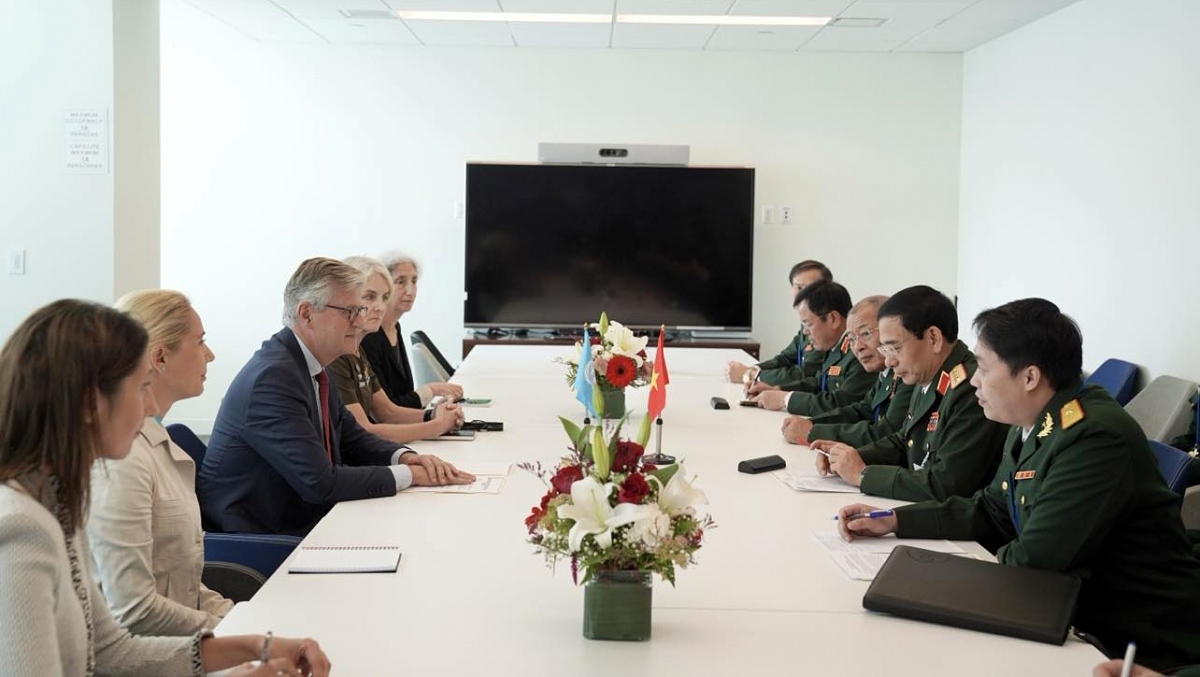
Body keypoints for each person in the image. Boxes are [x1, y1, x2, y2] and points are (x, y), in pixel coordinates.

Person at [838, 298, 1200, 673]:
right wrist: (895, 520)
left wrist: (945, 578)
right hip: (1068, 613)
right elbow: (991, 509)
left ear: (1029, 377)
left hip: (1135, 643)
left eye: (983, 367)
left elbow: (1034, 561)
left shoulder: (1093, 437)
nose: (974, 379)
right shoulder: (1032, 422)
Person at [0, 299, 329, 676]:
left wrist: (256, 645)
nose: (151, 404)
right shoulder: (20, 528)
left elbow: (109, 650)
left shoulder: (59, 501)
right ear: (92, 404)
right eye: (141, 387)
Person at [199, 257, 475, 536]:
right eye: (349, 312)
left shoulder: (314, 363)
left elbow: (351, 437)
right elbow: (320, 482)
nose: (360, 321)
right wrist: (412, 476)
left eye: (360, 310)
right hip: (262, 539)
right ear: (306, 314)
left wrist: (405, 459)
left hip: (304, 519)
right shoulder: (272, 379)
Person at [87, 291, 231, 636]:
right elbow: (133, 610)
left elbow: (186, 588)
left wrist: (242, 619)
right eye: (200, 342)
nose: (209, 355)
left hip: (182, 645)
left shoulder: (159, 442)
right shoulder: (123, 459)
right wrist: (235, 635)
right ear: (160, 357)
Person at [814, 285, 1007, 501]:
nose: (889, 361)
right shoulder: (926, 374)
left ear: (933, 338)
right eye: (885, 350)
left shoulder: (969, 388)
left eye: (894, 348)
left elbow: (947, 485)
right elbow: (904, 440)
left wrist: (863, 474)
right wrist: (851, 458)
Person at [329, 256, 463, 444]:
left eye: (384, 297)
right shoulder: (336, 354)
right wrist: (437, 425)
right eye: (369, 296)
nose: (380, 307)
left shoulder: (358, 351)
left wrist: (434, 415)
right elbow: (364, 431)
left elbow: (387, 412)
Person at [781, 295, 916, 447]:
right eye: (851, 339)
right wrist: (810, 423)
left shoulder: (907, 374)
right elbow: (862, 410)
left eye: (865, 334)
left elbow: (884, 433)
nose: (858, 346)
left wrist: (812, 432)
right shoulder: (886, 373)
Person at [360, 251, 463, 408]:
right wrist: (430, 391)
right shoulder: (369, 336)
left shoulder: (395, 327)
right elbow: (388, 408)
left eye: (414, 281)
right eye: (400, 282)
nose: (410, 290)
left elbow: (403, 396)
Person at [750, 288, 877, 414]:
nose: (805, 332)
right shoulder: (833, 346)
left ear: (833, 318)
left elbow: (841, 403)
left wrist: (785, 399)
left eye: (808, 324)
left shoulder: (861, 353)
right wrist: (778, 390)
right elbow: (818, 383)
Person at [725, 260, 832, 386]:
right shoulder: (806, 324)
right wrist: (752, 369)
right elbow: (785, 359)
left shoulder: (825, 324)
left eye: (810, 288)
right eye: (798, 287)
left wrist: (751, 375)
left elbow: (805, 373)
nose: (803, 293)